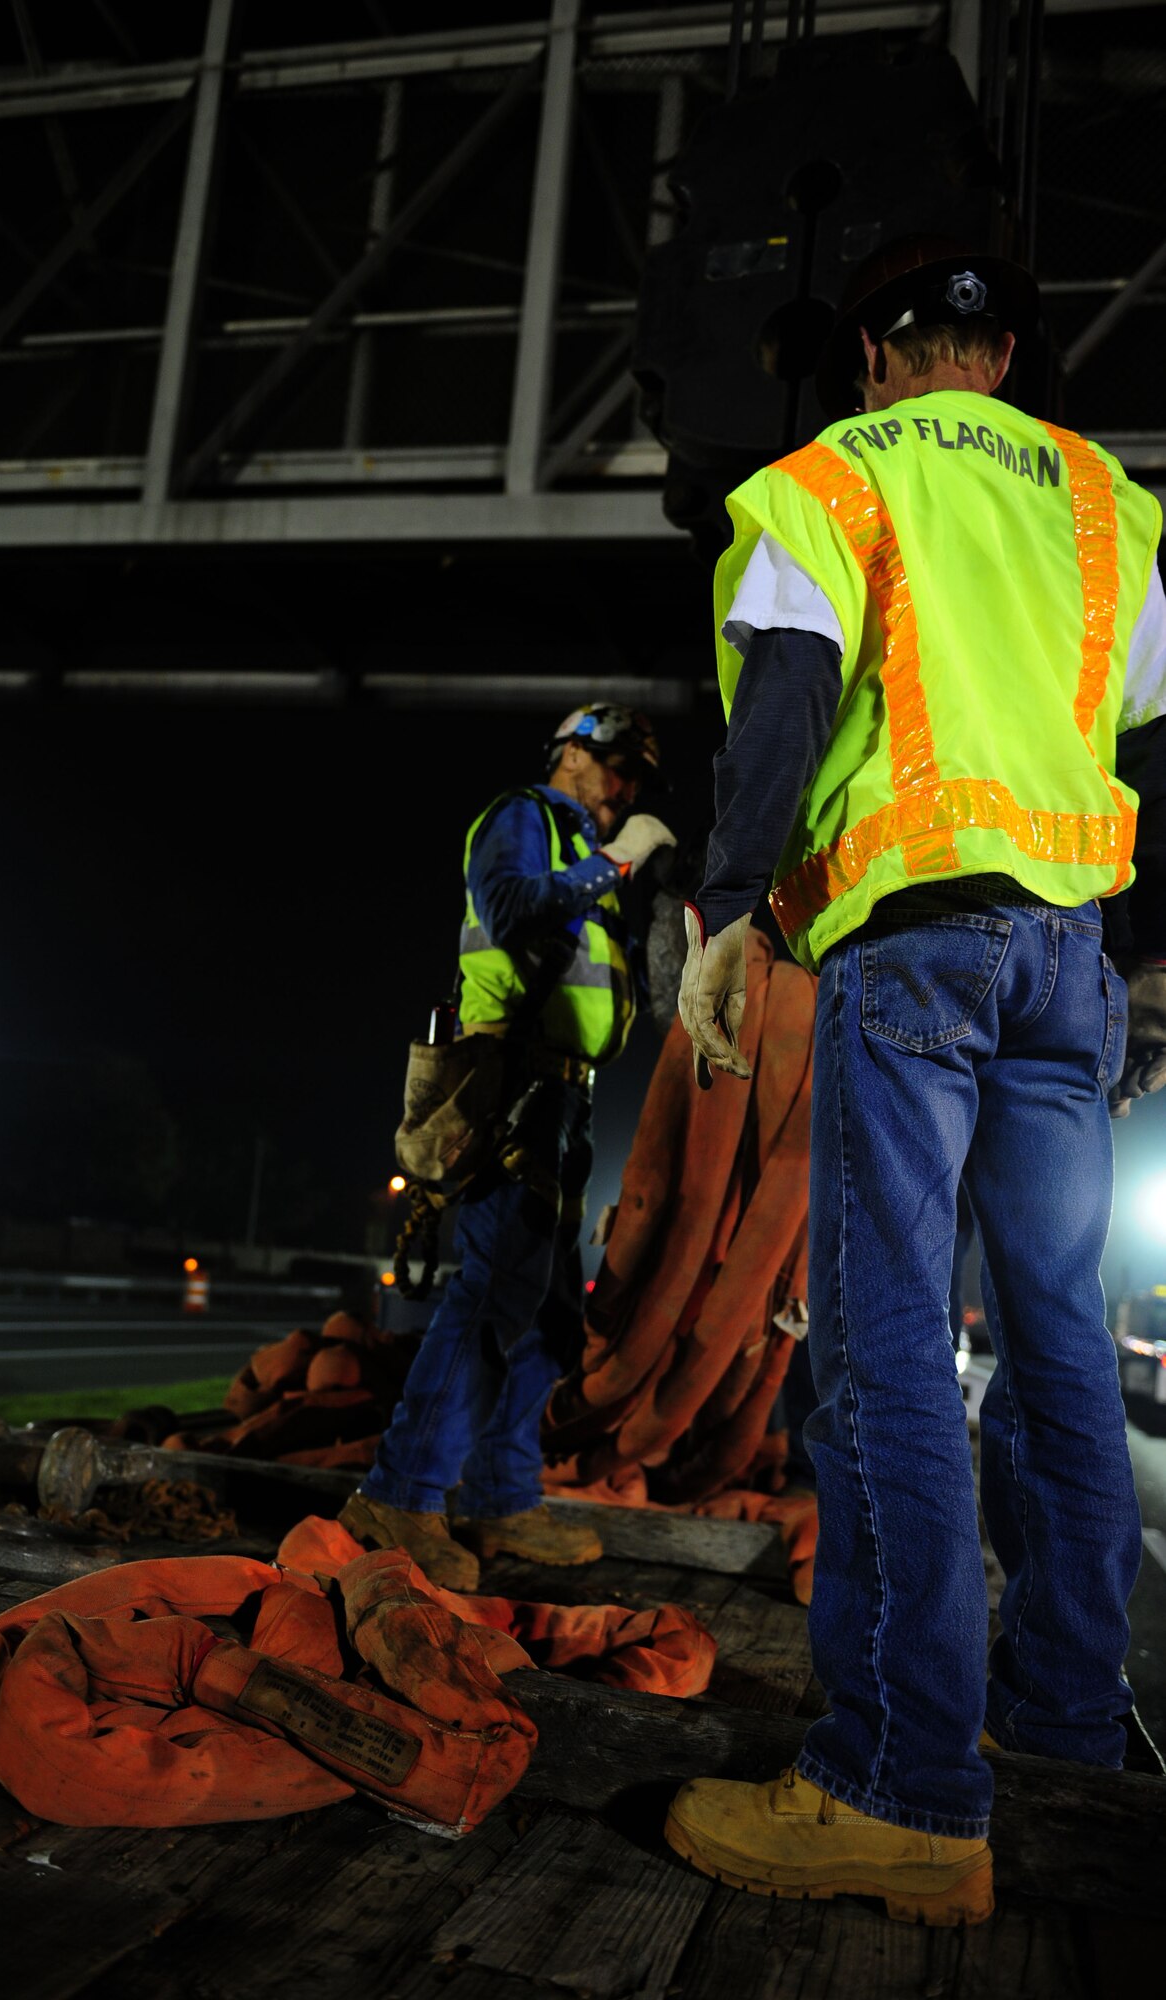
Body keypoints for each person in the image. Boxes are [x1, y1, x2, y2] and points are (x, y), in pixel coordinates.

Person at [667, 238, 1166, 1926]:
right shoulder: (1106, 502)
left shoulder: (830, 474)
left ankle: (899, 1785)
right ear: (1005, 351)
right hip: (1066, 960)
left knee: (883, 1351)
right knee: (1057, 1349)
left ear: (878, 358)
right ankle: (1069, 1728)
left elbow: (789, 698)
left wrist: (734, 907)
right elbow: (1138, 726)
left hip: (914, 956)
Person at [340, 705, 676, 1589]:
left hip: (562, 1094)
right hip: (510, 1077)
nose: (623, 789)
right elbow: (510, 905)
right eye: (613, 766)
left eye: (635, 778)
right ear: (569, 752)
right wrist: (615, 860)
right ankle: (398, 1496)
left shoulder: (586, 857)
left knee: (551, 1309)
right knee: (492, 1293)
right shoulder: (523, 819)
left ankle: (497, 1498)